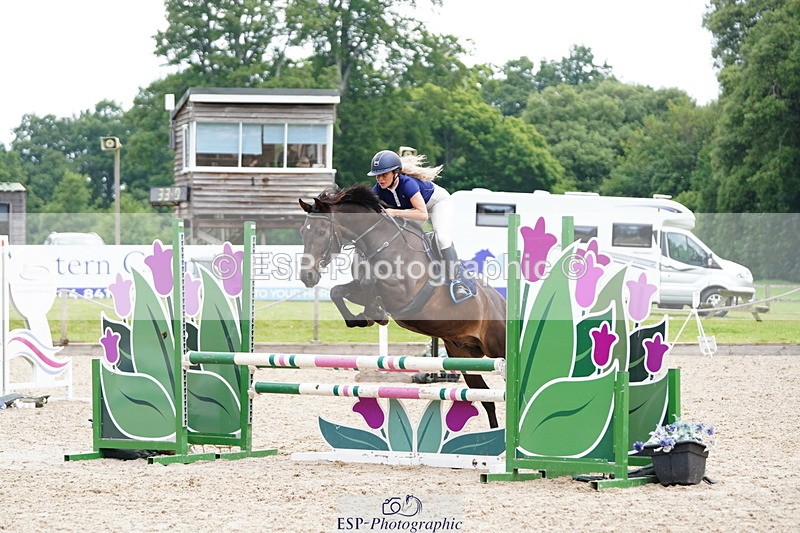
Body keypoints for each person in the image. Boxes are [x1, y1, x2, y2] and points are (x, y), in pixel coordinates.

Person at [368, 149, 472, 302]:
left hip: (436, 203)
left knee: (442, 238)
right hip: (414, 210)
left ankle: (457, 281)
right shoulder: (378, 190)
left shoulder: (407, 184)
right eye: (377, 175)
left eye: (384, 175)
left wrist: (394, 212)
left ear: (396, 173)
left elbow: (422, 214)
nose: (380, 179)